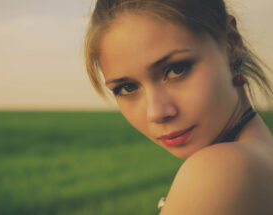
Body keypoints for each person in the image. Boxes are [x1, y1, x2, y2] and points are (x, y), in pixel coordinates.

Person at [84, 0, 273, 214]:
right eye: (127, 88)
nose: (156, 112)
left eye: (176, 70)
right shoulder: (262, 153)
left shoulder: (221, 169)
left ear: (231, 43)